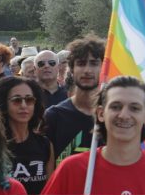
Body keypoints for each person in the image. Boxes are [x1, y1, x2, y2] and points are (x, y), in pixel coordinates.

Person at [44, 75, 145, 195]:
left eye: (134, 108)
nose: (124, 115)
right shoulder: (72, 169)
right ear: (101, 113)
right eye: (116, 107)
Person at [44, 36, 104, 167]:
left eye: (94, 63)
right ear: (71, 69)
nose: (87, 70)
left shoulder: (111, 116)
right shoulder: (53, 116)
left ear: (103, 68)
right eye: (81, 63)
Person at [0, 77, 54, 195]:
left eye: (29, 100)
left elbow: (48, 192)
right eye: (17, 100)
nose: (23, 105)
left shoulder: (45, 145)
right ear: (4, 104)